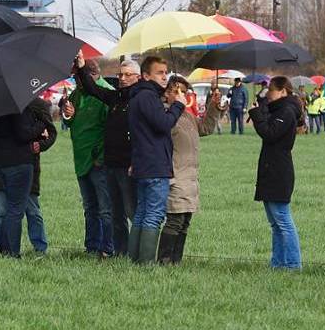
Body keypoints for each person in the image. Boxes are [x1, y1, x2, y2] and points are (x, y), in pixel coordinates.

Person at [74, 58, 141, 256]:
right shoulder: (116, 97)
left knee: (132, 211)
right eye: (120, 74)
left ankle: (138, 253)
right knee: (116, 212)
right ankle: (121, 251)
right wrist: (81, 68)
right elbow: (92, 89)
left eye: (128, 75)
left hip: (129, 164)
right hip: (110, 163)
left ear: (138, 77)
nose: (122, 78)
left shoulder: (141, 99)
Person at [0, 89, 49, 258]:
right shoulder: (18, 105)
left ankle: (2, 249)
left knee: (6, 210)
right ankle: (10, 251)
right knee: (14, 210)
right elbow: (23, 133)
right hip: (19, 162)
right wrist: (41, 125)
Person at [126, 55, 186, 264]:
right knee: (153, 215)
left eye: (165, 72)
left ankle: (134, 259)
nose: (164, 76)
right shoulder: (148, 97)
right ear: (145, 75)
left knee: (142, 213)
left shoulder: (137, 97)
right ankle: (146, 263)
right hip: (154, 165)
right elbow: (163, 124)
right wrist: (178, 106)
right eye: (159, 73)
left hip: (143, 163)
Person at [159, 75, 223, 264]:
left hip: (191, 178)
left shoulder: (187, 115)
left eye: (185, 92)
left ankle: (175, 261)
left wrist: (213, 106)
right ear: (166, 93)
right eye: (177, 91)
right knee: (175, 220)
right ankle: (164, 261)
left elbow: (205, 128)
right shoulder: (164, 115)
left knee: (185, 221)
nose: (182, 95)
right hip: (176, 176)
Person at [61, 59, 114, 257]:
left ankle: (107, 248)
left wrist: (99, 157)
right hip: (81, 158)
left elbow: (110, 130)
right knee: (89, 206)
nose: (76, 81)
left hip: (98, 160)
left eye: (77, 77)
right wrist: (69, 116)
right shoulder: (77, 94)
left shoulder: (104, 93)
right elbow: (72, 123)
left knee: (105, 208)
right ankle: (91, 246)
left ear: (90, 74)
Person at [249, 76, 304, 270]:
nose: (268, 93)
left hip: (279, 170)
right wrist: (261, 107)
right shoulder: (280, 109)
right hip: (271, 168)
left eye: (271, 90)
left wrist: (256, 114)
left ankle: (292, 264)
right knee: (275, 222)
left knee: (282, 219)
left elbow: (270, 133)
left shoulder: (287, 111)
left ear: (283, 91)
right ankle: (278, 262)